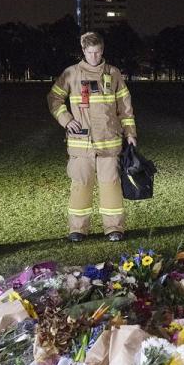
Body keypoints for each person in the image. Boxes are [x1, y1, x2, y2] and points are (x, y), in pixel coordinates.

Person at [46, 31, 137, 242]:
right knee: (80, 185)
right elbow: (54, 98)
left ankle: (114, 228)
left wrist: (130, 134)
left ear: (102, 50)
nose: (94, 57)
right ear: (83, 51)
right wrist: (66, 119)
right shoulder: (71, 73)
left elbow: (125, 107)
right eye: (90, 52)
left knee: (111, 185)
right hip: (81, 144)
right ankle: (77, 230)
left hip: (110, 143)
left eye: (98, 52)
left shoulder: (113, 74)